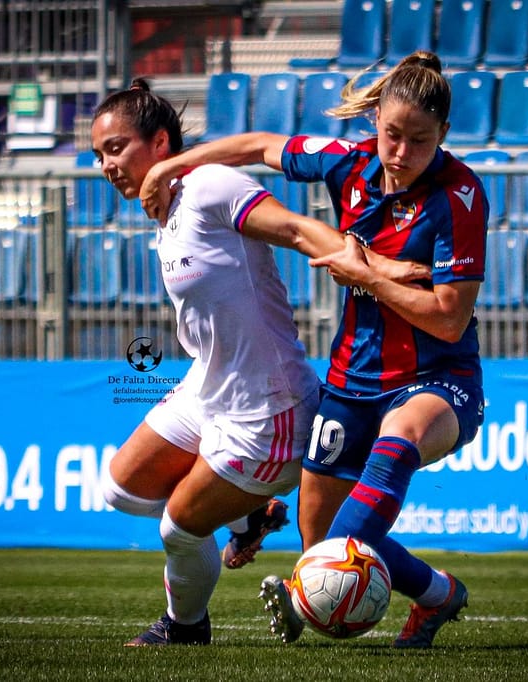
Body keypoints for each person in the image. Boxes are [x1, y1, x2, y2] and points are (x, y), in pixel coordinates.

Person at [139, 51, 489, 649]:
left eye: (420, 141)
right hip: (352, 378)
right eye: (392, 135)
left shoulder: (460, 197)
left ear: (445, 136)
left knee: (398, 439)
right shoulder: (348, 164)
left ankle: (305, 596)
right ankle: (435, 595)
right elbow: (259, 146)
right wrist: (177, 164)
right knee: (324, 536)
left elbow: (450, 320)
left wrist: (366, 273)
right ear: (375, 119)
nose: (400, 153)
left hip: (438, 376)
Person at [93, 79, 430, 646]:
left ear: (159, 143)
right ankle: (249, 518)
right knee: (120, 488)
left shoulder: (208, 186)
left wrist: (380, 268)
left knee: (178, 526)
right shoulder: (168, 206)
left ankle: (185, 626)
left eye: (116, 148)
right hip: (210, 387)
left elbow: (299, 230)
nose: (106, 165)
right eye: (99, 155)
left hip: (267, 409)